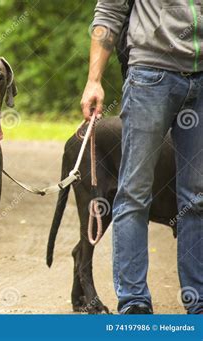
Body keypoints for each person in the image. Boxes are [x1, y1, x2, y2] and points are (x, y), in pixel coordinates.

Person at [81, 0, 202, 314]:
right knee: (134, 193)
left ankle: (198, 302)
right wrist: (94, 80)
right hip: (150, 74)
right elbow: (109, 11)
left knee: (197, 199)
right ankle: (134, 304)